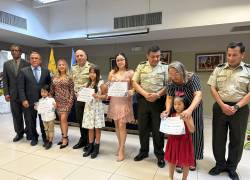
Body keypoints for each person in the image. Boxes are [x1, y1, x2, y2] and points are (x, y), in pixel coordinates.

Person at [207, 42, 250, 180]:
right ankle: (219, 164)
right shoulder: (219, 69)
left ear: (242, 55)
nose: (231, 58)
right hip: (220, 107)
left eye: (235, 55)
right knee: (218, 138)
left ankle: (232, 167)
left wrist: (236, 106)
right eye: (229, 55)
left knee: (237, 139)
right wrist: (222, 105)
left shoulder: (248, 70)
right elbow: (213, 88)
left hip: (240, 108)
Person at [161, 61, 204, 172]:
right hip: (178, 108)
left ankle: (192, 159)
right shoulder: (170, 82)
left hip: (193, 108)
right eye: (171, 74)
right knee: (179, 135)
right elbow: (170, 97)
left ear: (182, 72)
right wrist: (167, 110)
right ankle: (179, 160)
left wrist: (189, 110)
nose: (173, 77)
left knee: (194, 133)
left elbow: (198, 94)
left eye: (176, 74)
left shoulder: (192, 78)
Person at [132, 46, 168, 168]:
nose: (156, 58)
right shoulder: (141, 66)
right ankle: (143, 152)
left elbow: (168, 85)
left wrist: (157, 94)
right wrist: (145, 94)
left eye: (158, 56)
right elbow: (134, 82)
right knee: (143, 128)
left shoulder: (165, 67)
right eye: (153, 56)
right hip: (143, 100)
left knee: (158, 130)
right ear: (147, 56)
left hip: (158, 102)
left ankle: (159, 155)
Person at [18, 51, 51, 146]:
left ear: (40, 60)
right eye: (32, 58)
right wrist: (23, 99)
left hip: (43, 102)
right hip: (29, 101)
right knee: (31, 121)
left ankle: (45, 138)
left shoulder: (46, 71)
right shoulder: (23, 71)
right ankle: (34, 138)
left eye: (36, 58)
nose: (34, 60)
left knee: (43, 120)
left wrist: (47, 95)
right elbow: (20, 87)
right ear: (29, 60)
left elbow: (49, 85)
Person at [107, 53, 135, 161]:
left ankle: (122, 150)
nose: (120, 62)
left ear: (125, 60)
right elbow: (108, 86)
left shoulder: (130, 72)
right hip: (114, 101)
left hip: (124, 102)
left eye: (121, 59)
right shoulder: (112, 73)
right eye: (118, 60)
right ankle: (120, 144)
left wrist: (132, 91)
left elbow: (135, 87)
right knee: (117, 126)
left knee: (122, 125)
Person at [164, 94, 195, 180]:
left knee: (186, 161)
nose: (176, 106)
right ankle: (170, 176)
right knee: (171, 159)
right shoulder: (172, 115)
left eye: (179, 104)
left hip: (184, 141)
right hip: (173, 140)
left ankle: (184, 178)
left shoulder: (188, 115)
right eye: (175, 104)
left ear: (184, 104)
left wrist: (186, 121)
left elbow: (192, 130)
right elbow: (167, 129)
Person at [3, 44, 30, 142]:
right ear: (11, 52)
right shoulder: (6, 64)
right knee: (16, 115)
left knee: (27, 115)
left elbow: (29, 80)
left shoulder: (27, 63)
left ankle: (29, 132)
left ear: (20, 52)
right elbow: (5, 80)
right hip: (13, 95)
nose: (15, 52)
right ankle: (19, 133)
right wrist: (6, 93)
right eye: (13, 50)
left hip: (25, 95)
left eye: (17, 50)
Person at [71, 49, 94, 150]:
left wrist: (87, 90)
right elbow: (72, 81)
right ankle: (83, 139)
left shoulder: (91, 67)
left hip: (88, 99)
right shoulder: (73, 68)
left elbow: (96, 81)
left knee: (89, 121)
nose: (79, 57)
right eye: (77, 56)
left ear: (86, 56)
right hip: (78, 99)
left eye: (81, 55)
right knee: (80, 120)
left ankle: (90, 141)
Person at [82, 66, 106, 159]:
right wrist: (80, 95)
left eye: (94, 72)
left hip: (97, 108)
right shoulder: (87, 84)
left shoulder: (101, 83)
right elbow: (84, 96)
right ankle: (90, 146)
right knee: (90, 128)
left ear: (97, 73)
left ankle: (97, 147)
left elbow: (106, 96)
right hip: (88, 108)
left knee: (97, 129)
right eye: (90, 72)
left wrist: (98, 96)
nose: (92, 74)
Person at [50, 58, 74, 149]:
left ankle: (65, 138)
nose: (61, 66)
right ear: (57, 67)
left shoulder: (69, 78)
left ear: (66, 66)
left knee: (64, 119)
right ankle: (63, 135)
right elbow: (52, 91)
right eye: (59, 65)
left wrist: (70, 103)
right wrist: (52, 101)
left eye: (63, 64)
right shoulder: (54, 78)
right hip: (57, 102)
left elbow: (72, 92)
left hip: (67, 102)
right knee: (60, 120)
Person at [36, 85, 56, 150]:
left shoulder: (51, 99)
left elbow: (54, 108)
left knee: (51, 130)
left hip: (50, 118)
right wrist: (36, 107)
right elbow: (39, 109)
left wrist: (55, 106)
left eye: (44, 92)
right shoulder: (40, 100)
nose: (43, 93)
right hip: (44, 118)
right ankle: (47, 140)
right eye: (42, 92)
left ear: (48, 92)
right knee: (46, 130)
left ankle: (50, 141)